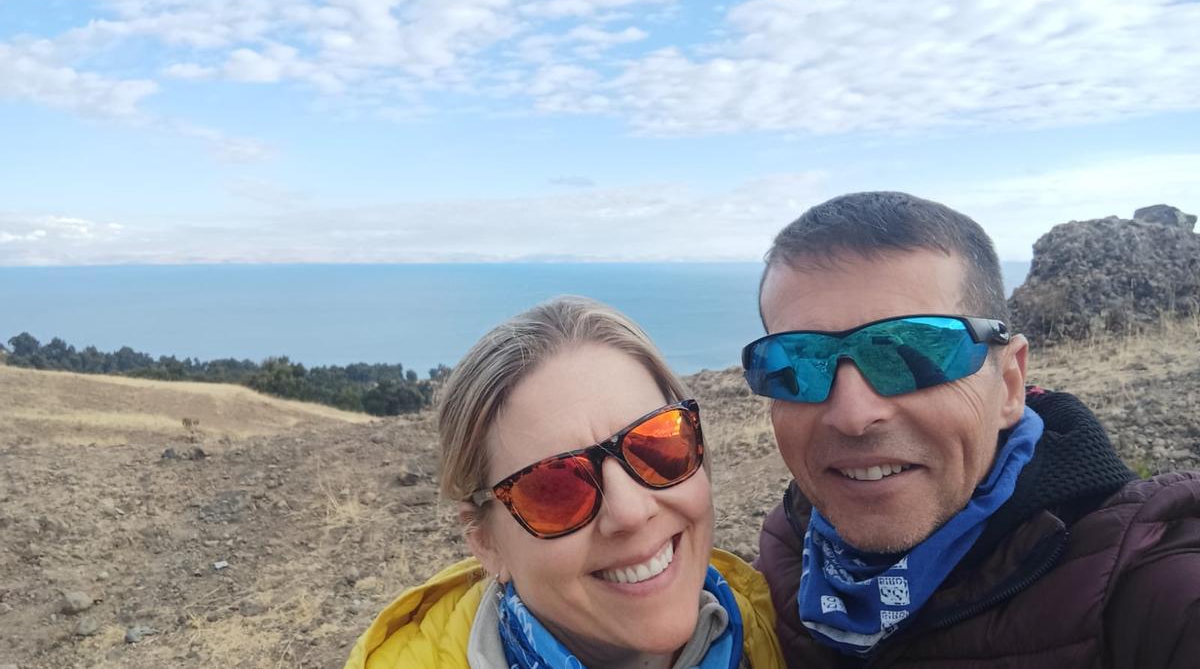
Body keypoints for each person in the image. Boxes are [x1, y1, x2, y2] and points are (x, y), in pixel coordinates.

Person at [743, 192, 1200, 667]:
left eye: (914, 353)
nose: (853, 415)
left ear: (1008, 384)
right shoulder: (787, 552)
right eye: (798, 362)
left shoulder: (1145, 586)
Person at [345, 296, 784, 668]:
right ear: (485, 542)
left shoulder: (764, 626)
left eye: (655, 446)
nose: (632, 512)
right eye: (555, 489)